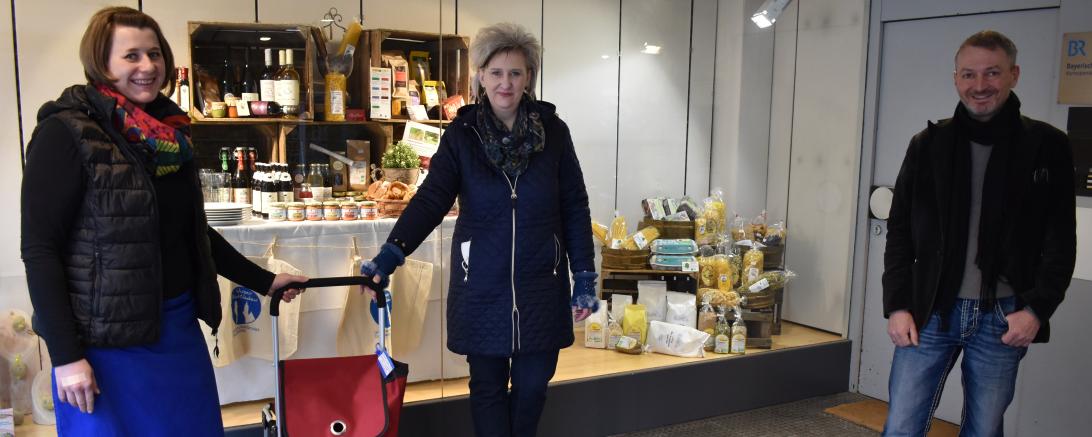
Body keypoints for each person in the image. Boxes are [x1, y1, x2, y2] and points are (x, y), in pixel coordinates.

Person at [20, 7, 308, 436]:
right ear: (101, 62)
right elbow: (40, 249)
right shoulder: (66, 132)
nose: (148, 66)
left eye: (154, 54)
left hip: (175, 328)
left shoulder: (169, 134)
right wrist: (65, 356)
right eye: (131, 56)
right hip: (105, 346)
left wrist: (263, 280)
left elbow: (190, 231)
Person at [359, 22, 599, 437]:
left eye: (516, 73)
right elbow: (431, 200)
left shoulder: (555, 134)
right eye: (496, 72)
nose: (505, 83)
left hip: (542, 283)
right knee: (486, 389)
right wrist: (390, 254)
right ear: (481, 77)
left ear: (529, 79)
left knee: (532, 388)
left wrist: (584, 276)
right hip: (480, 285)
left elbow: (574, 206)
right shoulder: (461, 137)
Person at [881, 30, 1075, 436]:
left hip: (1003, 317)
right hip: (929, 312)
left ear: (1013, 75)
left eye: (992, 73)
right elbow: (899, 231)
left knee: (984, 431)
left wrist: (1037, 309)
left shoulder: (1046, 146)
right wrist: (898, 305)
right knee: (901, 426)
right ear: (956, 79)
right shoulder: (927, 145)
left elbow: (1061, 240)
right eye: (969, 75)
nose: (980, 85)